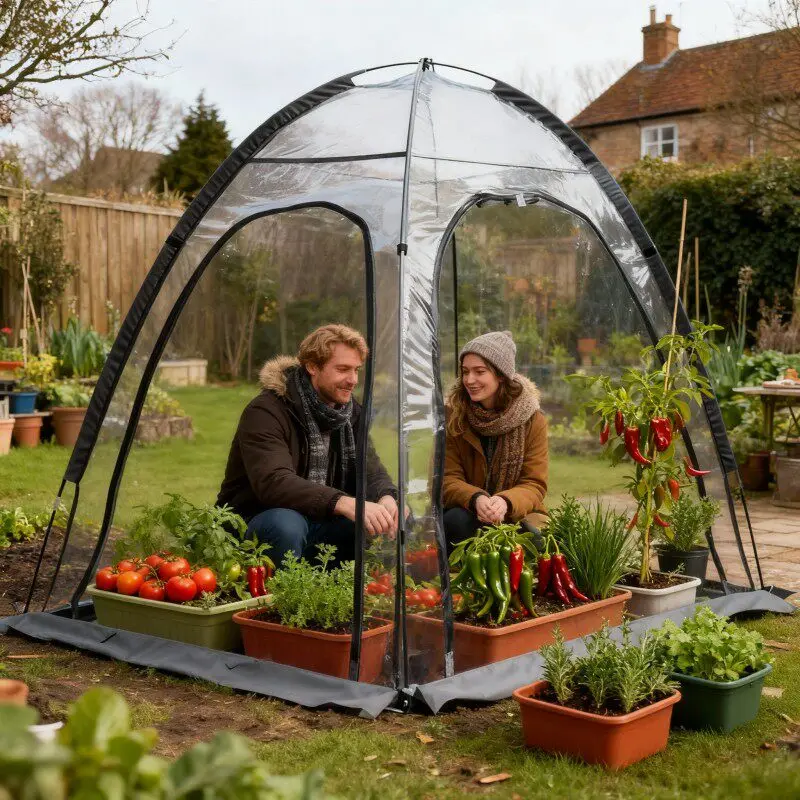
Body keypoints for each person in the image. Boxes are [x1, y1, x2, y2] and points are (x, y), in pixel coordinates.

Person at [217, 324, 398, 567]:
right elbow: (274, 482)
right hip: (256, 520)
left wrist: (387, 497)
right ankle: (273, 600)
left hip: (319, 519)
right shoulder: (267, 411)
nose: (353, 380)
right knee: (286, 525)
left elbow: (371, 469)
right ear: (313, 366)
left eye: (356, 370)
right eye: (343, 369)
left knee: (388, 520)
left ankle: (345, 597)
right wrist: (342, 502)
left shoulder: (349, 413)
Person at [442, 330, 548, 551]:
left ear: (500, 374)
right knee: (455, 524)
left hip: (513, 515)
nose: (469, 380)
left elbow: (534, 484)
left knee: (537, 543)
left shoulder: (532, 419)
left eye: (479, 372)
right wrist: (476, 499)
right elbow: (447, 479)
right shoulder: (454, 416)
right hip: (468, 511)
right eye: (465, 372)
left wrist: (505, 502)